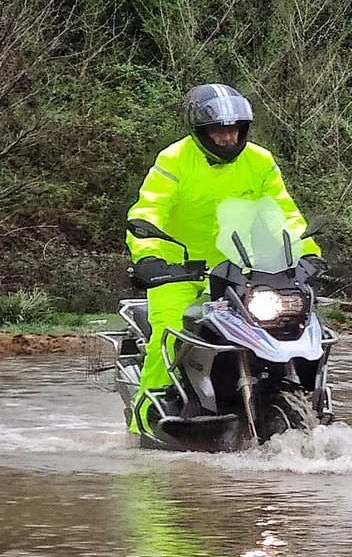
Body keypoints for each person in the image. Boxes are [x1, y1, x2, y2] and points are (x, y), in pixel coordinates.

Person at [125, 83, 321, 434]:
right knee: (167, 339)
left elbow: (284, 212)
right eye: (218, 130)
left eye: (234, 129)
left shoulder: (259, 161)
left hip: (244, 271)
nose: (227, 137)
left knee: (297, 324)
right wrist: (149, 257)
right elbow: (149, 209)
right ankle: (144, 428)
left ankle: (307, 396)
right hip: (181, 271)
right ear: (201, 131)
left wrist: (307, 255)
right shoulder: (174, 160)